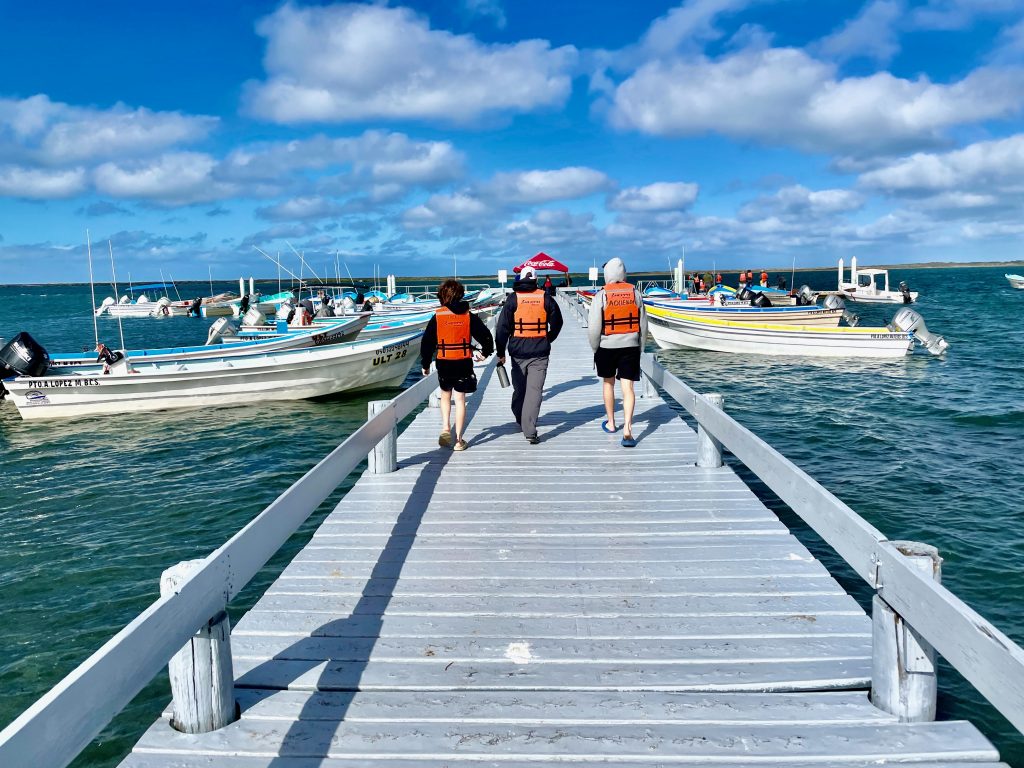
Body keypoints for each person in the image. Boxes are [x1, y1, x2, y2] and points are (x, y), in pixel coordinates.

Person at [420, 279, 494, 451]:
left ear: (442, 296)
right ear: (460, 295)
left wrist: (425, 364)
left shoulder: (438, 316)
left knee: (445, 396)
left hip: (444, 362)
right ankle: (459, 441)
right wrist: (484, 353)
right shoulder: (469, 316)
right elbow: (486, 336)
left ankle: (446, 427)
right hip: (463, 362)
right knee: (460, 400)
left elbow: (427, 343)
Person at [495, 266, 563, 444]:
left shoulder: (512, 299)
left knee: (521, 389)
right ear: (535, 279)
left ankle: (525, 424)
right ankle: (528, 425)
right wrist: (548, 338)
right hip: (540, 351)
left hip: (517, 352)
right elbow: (558, 322)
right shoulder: (546, 298)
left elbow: (502, 328)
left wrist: (500, 352)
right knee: (534, 391)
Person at [587, 258, 647, 448]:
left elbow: (594, 327)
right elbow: (643, 325)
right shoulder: (635, 293)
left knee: (608, 383)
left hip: (606, 346)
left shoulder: (601, 295)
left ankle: (612, 423)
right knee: (628, 388)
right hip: (630, 346)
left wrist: (595, 348)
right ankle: (628, 429)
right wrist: (641, 347)